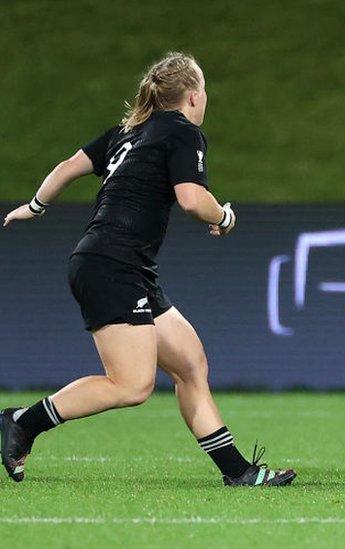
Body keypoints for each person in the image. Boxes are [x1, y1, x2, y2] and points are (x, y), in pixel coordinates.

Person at [0, 52, 295, 487]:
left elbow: (67, 167)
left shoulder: (129, 131)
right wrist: (225, 217)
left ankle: (239, 473)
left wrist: (36, 206)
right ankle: (22, 421)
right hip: (112, 265)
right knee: (132, 386)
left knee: (190, 364)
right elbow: (194, 199)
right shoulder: (183, 132)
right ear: (194, 96)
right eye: (205, 89)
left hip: (122, 265)